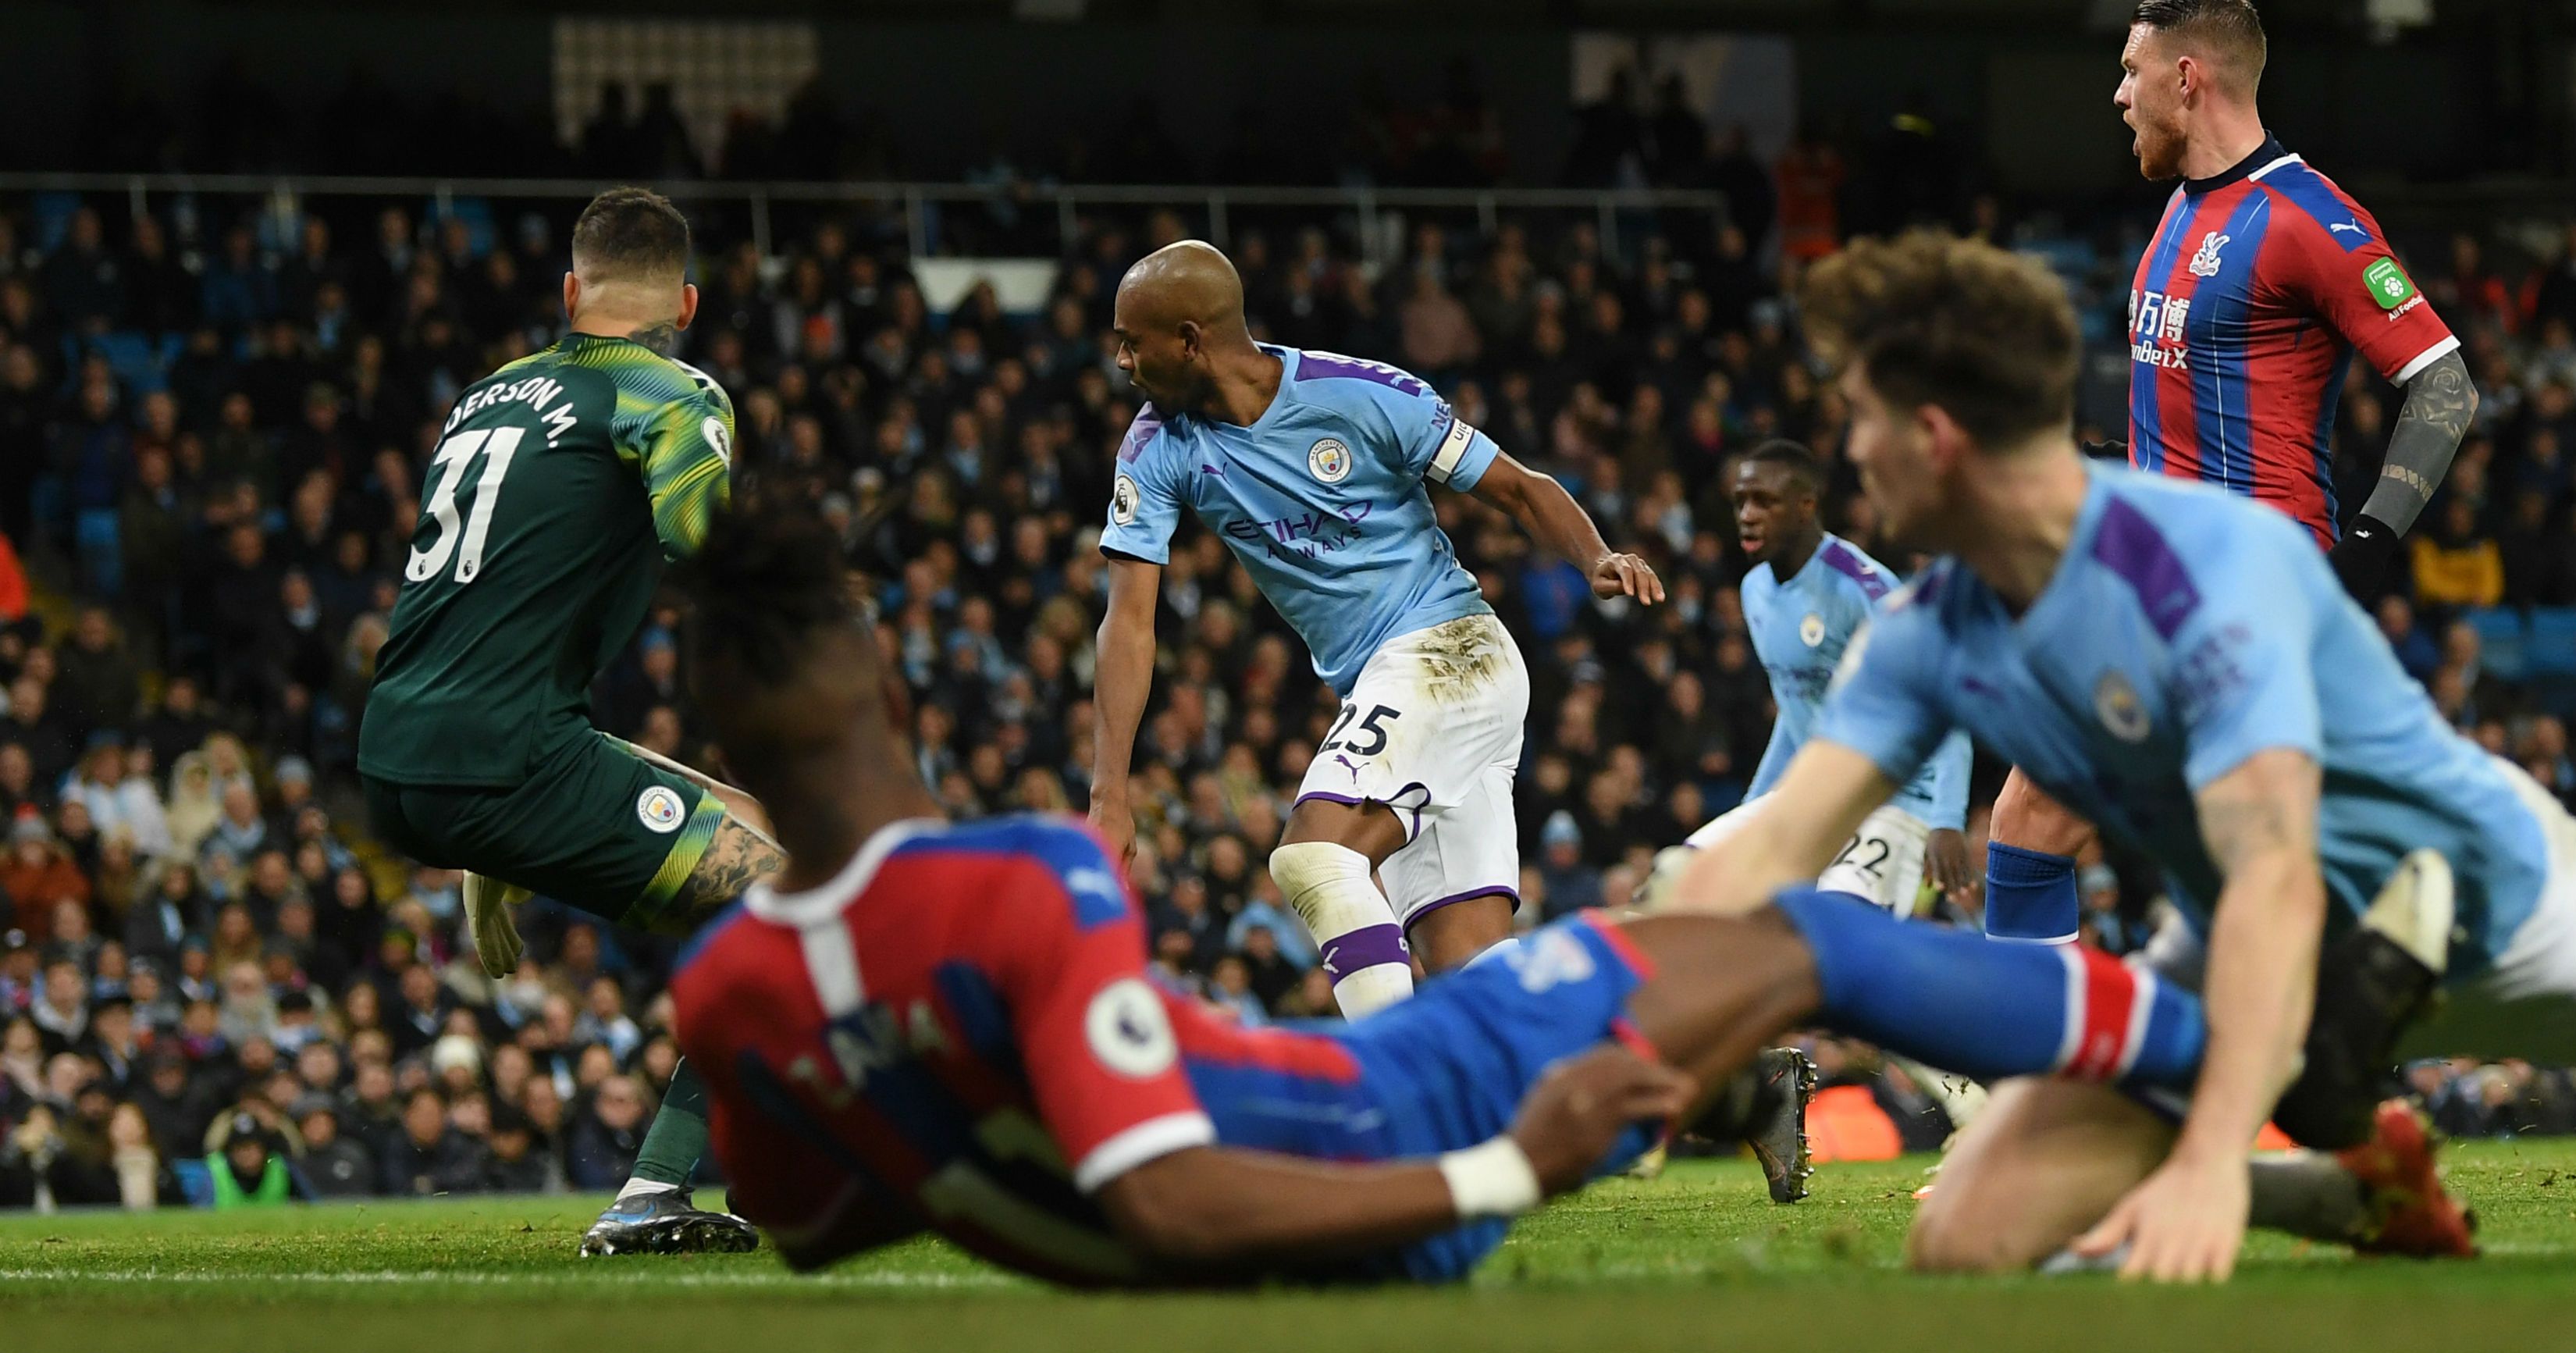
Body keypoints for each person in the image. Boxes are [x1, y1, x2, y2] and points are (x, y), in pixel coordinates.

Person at [1675, 230, 2576, 1280]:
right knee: (1969, 1232)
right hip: (2247, 945)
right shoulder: (1922, 634)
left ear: (1936, 434)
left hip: (2486, 902)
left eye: (1862, 419)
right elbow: (1767, 847)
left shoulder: (2207, 558)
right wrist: (1638, 1014)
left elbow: (2279, 867)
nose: (1852, 454)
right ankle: (2350, 1187)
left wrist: (2204, 1151)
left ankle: (2273, 1122)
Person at [667, 497, 1841, 1287]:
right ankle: (1797, 1053)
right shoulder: (1030, 876)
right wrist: (1506, 1171)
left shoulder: (725, 992)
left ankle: (1747, 1084)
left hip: (1437, 692)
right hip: (1368, 1154)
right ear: (906, 707)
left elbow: (810, 1223)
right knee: (1802, 953)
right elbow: (1173, 1203)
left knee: (1424, 934)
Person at [1980, 0, 2483, 945]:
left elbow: (2446, 388)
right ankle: (2042, 1063)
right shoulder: (2179, 209)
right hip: (2159, 577)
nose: (2119, 94)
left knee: (2062, 828)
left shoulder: (2308, 217)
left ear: (2188, 79)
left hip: (2247, 587)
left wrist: (2366, 552)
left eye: (2133, 72)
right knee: (2037, 824)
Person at [354, 187, 780, 1255]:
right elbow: (705, 545)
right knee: (798, 912)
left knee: (758, 823)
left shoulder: (485, 396)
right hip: (511, 761)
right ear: (685, 302)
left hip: (399, 749)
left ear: (568, 291)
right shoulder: (670, 392)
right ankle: (659, 1190)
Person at [1088, 240, 1662, 1017]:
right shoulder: (1159, 447)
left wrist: (1595, 556)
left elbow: (1520, 490)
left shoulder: (1360, 395)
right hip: (1412, 690)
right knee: (1481, 990)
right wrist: (1109, 792)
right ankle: (1734, 1083)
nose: (1120, 358)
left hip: (1449, 648)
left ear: (1190, 338)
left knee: (1315, 856)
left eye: (1132, 339)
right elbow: (1129, 622)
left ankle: (1392, 1092)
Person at [1673, 440, 1972, 916]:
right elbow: (1798, 714)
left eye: (1764, 502)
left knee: (1835, 927)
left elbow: (1942, 700)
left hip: (1895, 801)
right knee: (1674, 885)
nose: (1747, 515)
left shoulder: (1863, 590)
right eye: (1741, 501)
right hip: (1816, 795)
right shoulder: (1755, 590)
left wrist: (1947, 819)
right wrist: (1752, 810)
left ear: (1805, 506)